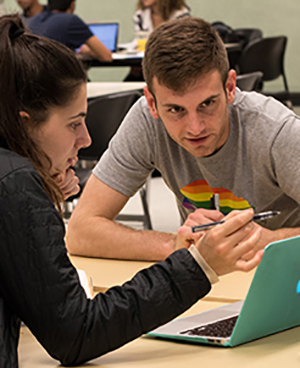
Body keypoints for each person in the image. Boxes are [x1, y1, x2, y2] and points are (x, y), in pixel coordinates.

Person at [0, 14, 264, 368]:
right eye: (74, 123)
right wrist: (198, 266)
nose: (87, 139)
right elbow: (75, 334)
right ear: (25, 125)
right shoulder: (14, 184)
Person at [67, 16, 300, 262]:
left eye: (207, 104)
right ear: (151, 103)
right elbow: (80, 232)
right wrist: (179, 244)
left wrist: (266, 241)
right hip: (207, 280)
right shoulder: (146, 122)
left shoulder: (275, 131)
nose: (195, 128)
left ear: (230, 87)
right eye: (176, 110)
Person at [124, 0, 190, 81]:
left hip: (171, 65)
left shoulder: (180, 15)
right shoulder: (140, 15)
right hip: (147, 63)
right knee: (134, 73)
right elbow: (138, 40)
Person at [28, 0, 112, 62]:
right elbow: (106, 56)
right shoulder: (71, 20)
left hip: (32, 79)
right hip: (55, 80)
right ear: (72, 4)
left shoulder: (35, 19)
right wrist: (90, 52)